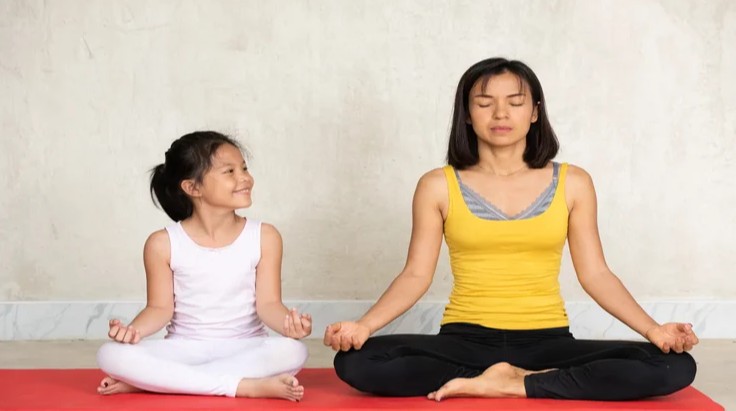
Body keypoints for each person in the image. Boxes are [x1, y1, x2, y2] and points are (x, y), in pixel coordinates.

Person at [324, 58, 699, 401]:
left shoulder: (573, 183)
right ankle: (516, 379)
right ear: (466, 114)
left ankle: (515, 382)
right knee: (356, 361)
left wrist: (654, 330)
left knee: (674, 366)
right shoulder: (437, 185)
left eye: (515, 103)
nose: (500, 113)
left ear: (535, 112)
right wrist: (363, 326)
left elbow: (596, 274)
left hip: (548, 340)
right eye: (484, 103)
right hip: (464, 340)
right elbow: (415, 275)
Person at [96, 131, 311, 401]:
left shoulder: (265, 236)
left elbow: (268, 305)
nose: (245, 178)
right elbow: (159, 309)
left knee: (293, 350)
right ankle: (243, 386)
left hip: (246, 348)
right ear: (193, 188)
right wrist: (132, 331)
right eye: (229, 171)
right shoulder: (162, 243)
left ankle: (162, 382)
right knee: (110, 354)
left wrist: (290, 326)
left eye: (244, 168)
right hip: (184, 350)